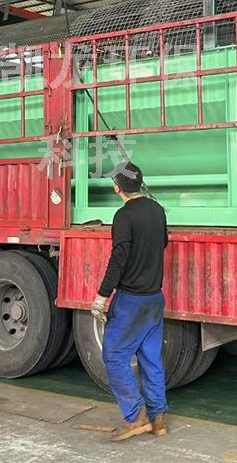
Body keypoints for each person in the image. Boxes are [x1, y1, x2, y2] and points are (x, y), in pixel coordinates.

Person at [91, 161, 169, 442]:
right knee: (151, 359)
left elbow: (119, 258)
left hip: (131, 301)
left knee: (114, 357)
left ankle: (136, 417)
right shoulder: (157, 210)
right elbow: (163, 243)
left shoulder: (123, 216)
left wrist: (102, 295)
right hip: (154, 299)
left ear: (117, 188)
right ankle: (158, 419)